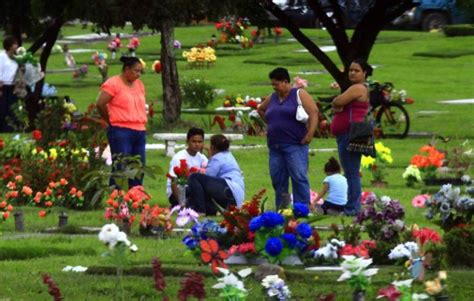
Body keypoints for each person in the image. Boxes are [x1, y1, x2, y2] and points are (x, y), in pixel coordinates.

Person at [257, 67, 318, 208]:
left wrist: (310, 133)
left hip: (295, 144)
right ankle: (282, 208)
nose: (274, 87)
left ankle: (302, 207)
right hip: (275, 146)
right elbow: (260, 109)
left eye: (276, 84)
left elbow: (313, 112)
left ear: (285, 82)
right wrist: (271, 123)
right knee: (278, 179)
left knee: (298, 176)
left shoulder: (299, 94)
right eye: (272, 84)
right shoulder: (273, 97)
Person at [96, 56, 147, 188]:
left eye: (140, 71)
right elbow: (101, 104)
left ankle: (136, 198)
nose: (138, 74)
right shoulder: (113, 83)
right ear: (127, 69)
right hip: (121, 130)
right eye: (136, 71)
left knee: (138, 166)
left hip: (140, 130)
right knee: (121, 166)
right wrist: (110, 121)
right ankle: (116, 199)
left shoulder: (139, 85)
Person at [330, 58, 372, 215]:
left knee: (351, 172)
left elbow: (338, 100)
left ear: (364, 73)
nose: (352, 73)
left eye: (357, 70)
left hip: (350, 133)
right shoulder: (360, 88)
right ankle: (352, 205)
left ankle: (352, 208)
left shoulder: (357, 88)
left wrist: (337, 103)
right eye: (350, 70)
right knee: (351, 171)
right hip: (354, 131)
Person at [187, 134, 245, 215]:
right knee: (198, 195)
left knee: (194, 177)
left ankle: (200, 211)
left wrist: (209, 153)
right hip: (235, 196)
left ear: (213, 147)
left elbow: (207, 177)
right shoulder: (228, 155)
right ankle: (210, 210)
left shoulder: (217, 158)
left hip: (229, 189)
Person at [167, 127, 208, 207]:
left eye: (200, 142)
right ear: (187, 141)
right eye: (194, 141)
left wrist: (209, 150)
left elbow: (211, 172)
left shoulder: (201, 157)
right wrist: (181, 203)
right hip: (177, 192)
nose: (197, 144)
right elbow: (173, 182)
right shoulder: (179, 157)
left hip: (194, 190)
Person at [0, 36, 19, 132]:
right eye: (15, 44)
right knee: (2, 107)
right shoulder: (2, 56)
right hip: (3, 85)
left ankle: (10, 127)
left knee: (11, 107)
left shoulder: (16, 58)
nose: (17, 45)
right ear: (10, 46)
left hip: (12, 86)